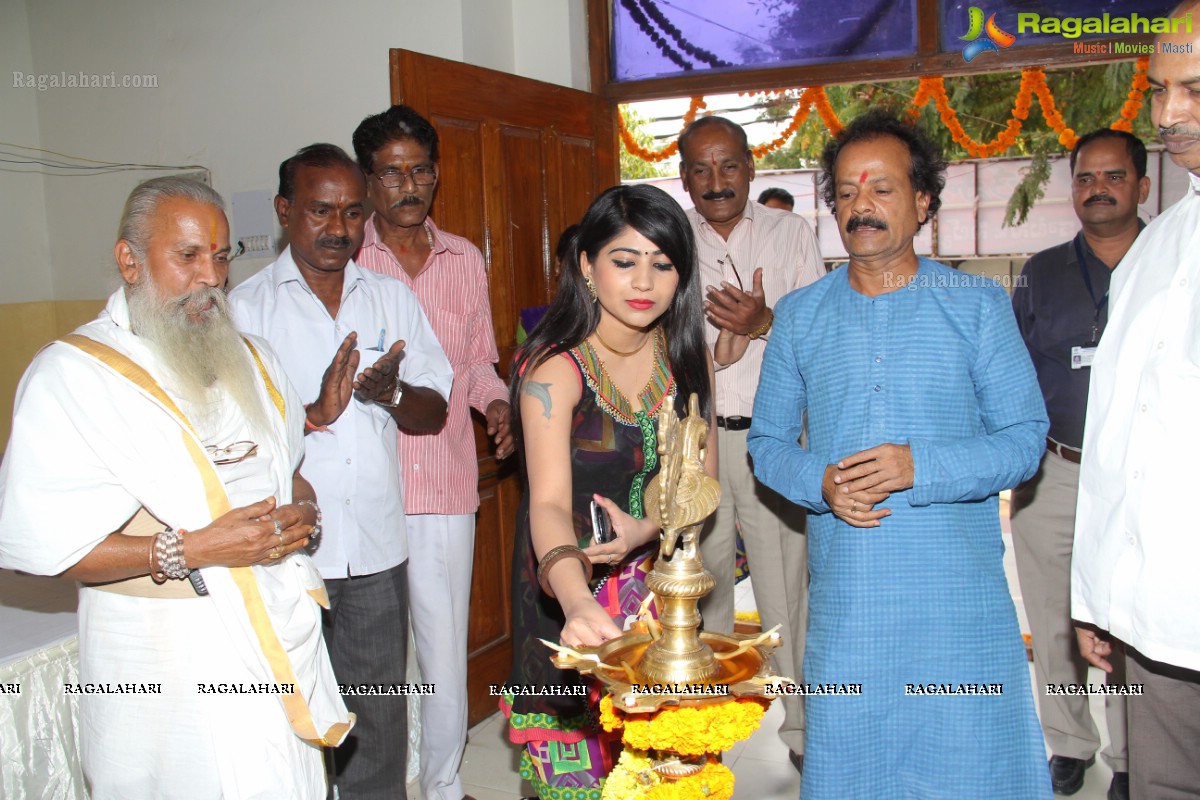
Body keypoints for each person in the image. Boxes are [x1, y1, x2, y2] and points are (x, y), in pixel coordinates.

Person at [0, 176, 352, 798]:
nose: (210, 278)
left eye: (220, 257)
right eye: (187, 256)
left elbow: (290, 470)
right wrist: (190, 550)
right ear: (129, 260)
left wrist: (303, 509)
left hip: (274, 641)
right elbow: (40, 547)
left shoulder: (256, 357)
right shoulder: (73, 377)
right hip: (162, 663)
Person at [748, 110, 1051, 799]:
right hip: (850, 595)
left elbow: (1025, 439)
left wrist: (922, 466)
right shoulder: (801, 314)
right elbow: (766, 446)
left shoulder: (977, 306)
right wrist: (819, 481)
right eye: (848, 193)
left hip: (956, 593)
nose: (863, 207)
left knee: (969, 758)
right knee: (856, 755)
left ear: (923, 203)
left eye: (883, 190)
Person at [229, 144, 452, 799]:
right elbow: (230, 445)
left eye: (354, 213)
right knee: (289, 719)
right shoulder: (244, 312)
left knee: (377, 719)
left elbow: (432, 407)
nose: (339, 228)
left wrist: (391, 394)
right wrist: (314, 412)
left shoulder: (390, 298)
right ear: (285, 211)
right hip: (284, 554)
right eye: (320, 211)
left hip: (377, 550)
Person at [501, 184, 714, 799]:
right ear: (587, 267)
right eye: (624, 260)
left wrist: (646, 530)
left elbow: (701, 483)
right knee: (577, 775)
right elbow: (545, 503)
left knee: (665, 774)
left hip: (660, 593)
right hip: (564, 582)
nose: (643, 280)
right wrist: (574, 603)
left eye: (663, 263)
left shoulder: (685, 357)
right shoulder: (555, 369)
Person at [351, 106, 512, 800]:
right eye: (391, 172)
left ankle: (443, 786)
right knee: (368, 656)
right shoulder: (345, 259)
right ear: (368, 180)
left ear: (437, 175)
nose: (408, 184)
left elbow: (475, 363)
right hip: (363, 491)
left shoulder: (463, 259)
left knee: (443, 653)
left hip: (445, 484)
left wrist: (499, 403)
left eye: (419, 169)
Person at [1072, 8, 1200, 796]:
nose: (1168, 114)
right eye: (1159, 91)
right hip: (1156, 621)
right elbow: (1117, 441)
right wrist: (1095, 595)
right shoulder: (1156, 250)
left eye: (1194, 88)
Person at [680, 115, 823, 770]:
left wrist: (766, 322)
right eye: (701, 169)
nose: (717, 181)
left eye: (728, 165)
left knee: (783, 594)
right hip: (695, 441)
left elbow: (821, 339)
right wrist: (717, 351)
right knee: (697, 592)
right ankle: (706, 727)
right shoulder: (667, 241)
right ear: (683, 176)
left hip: (771, 442)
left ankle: (802, 732)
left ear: (750, 166)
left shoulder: (791, 235)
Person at [1011, 128, 1148, 800]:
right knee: (1055, 611)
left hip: (1144, 477)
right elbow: (1012, 371)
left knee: (1129, 615)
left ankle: (1133, 754)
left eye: (1113, 176)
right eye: (1086, 178)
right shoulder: (1042, 271)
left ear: (1142, 186)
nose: (1098, 189)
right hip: (1056, 467)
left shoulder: (1176, 259)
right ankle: (1069, 742)